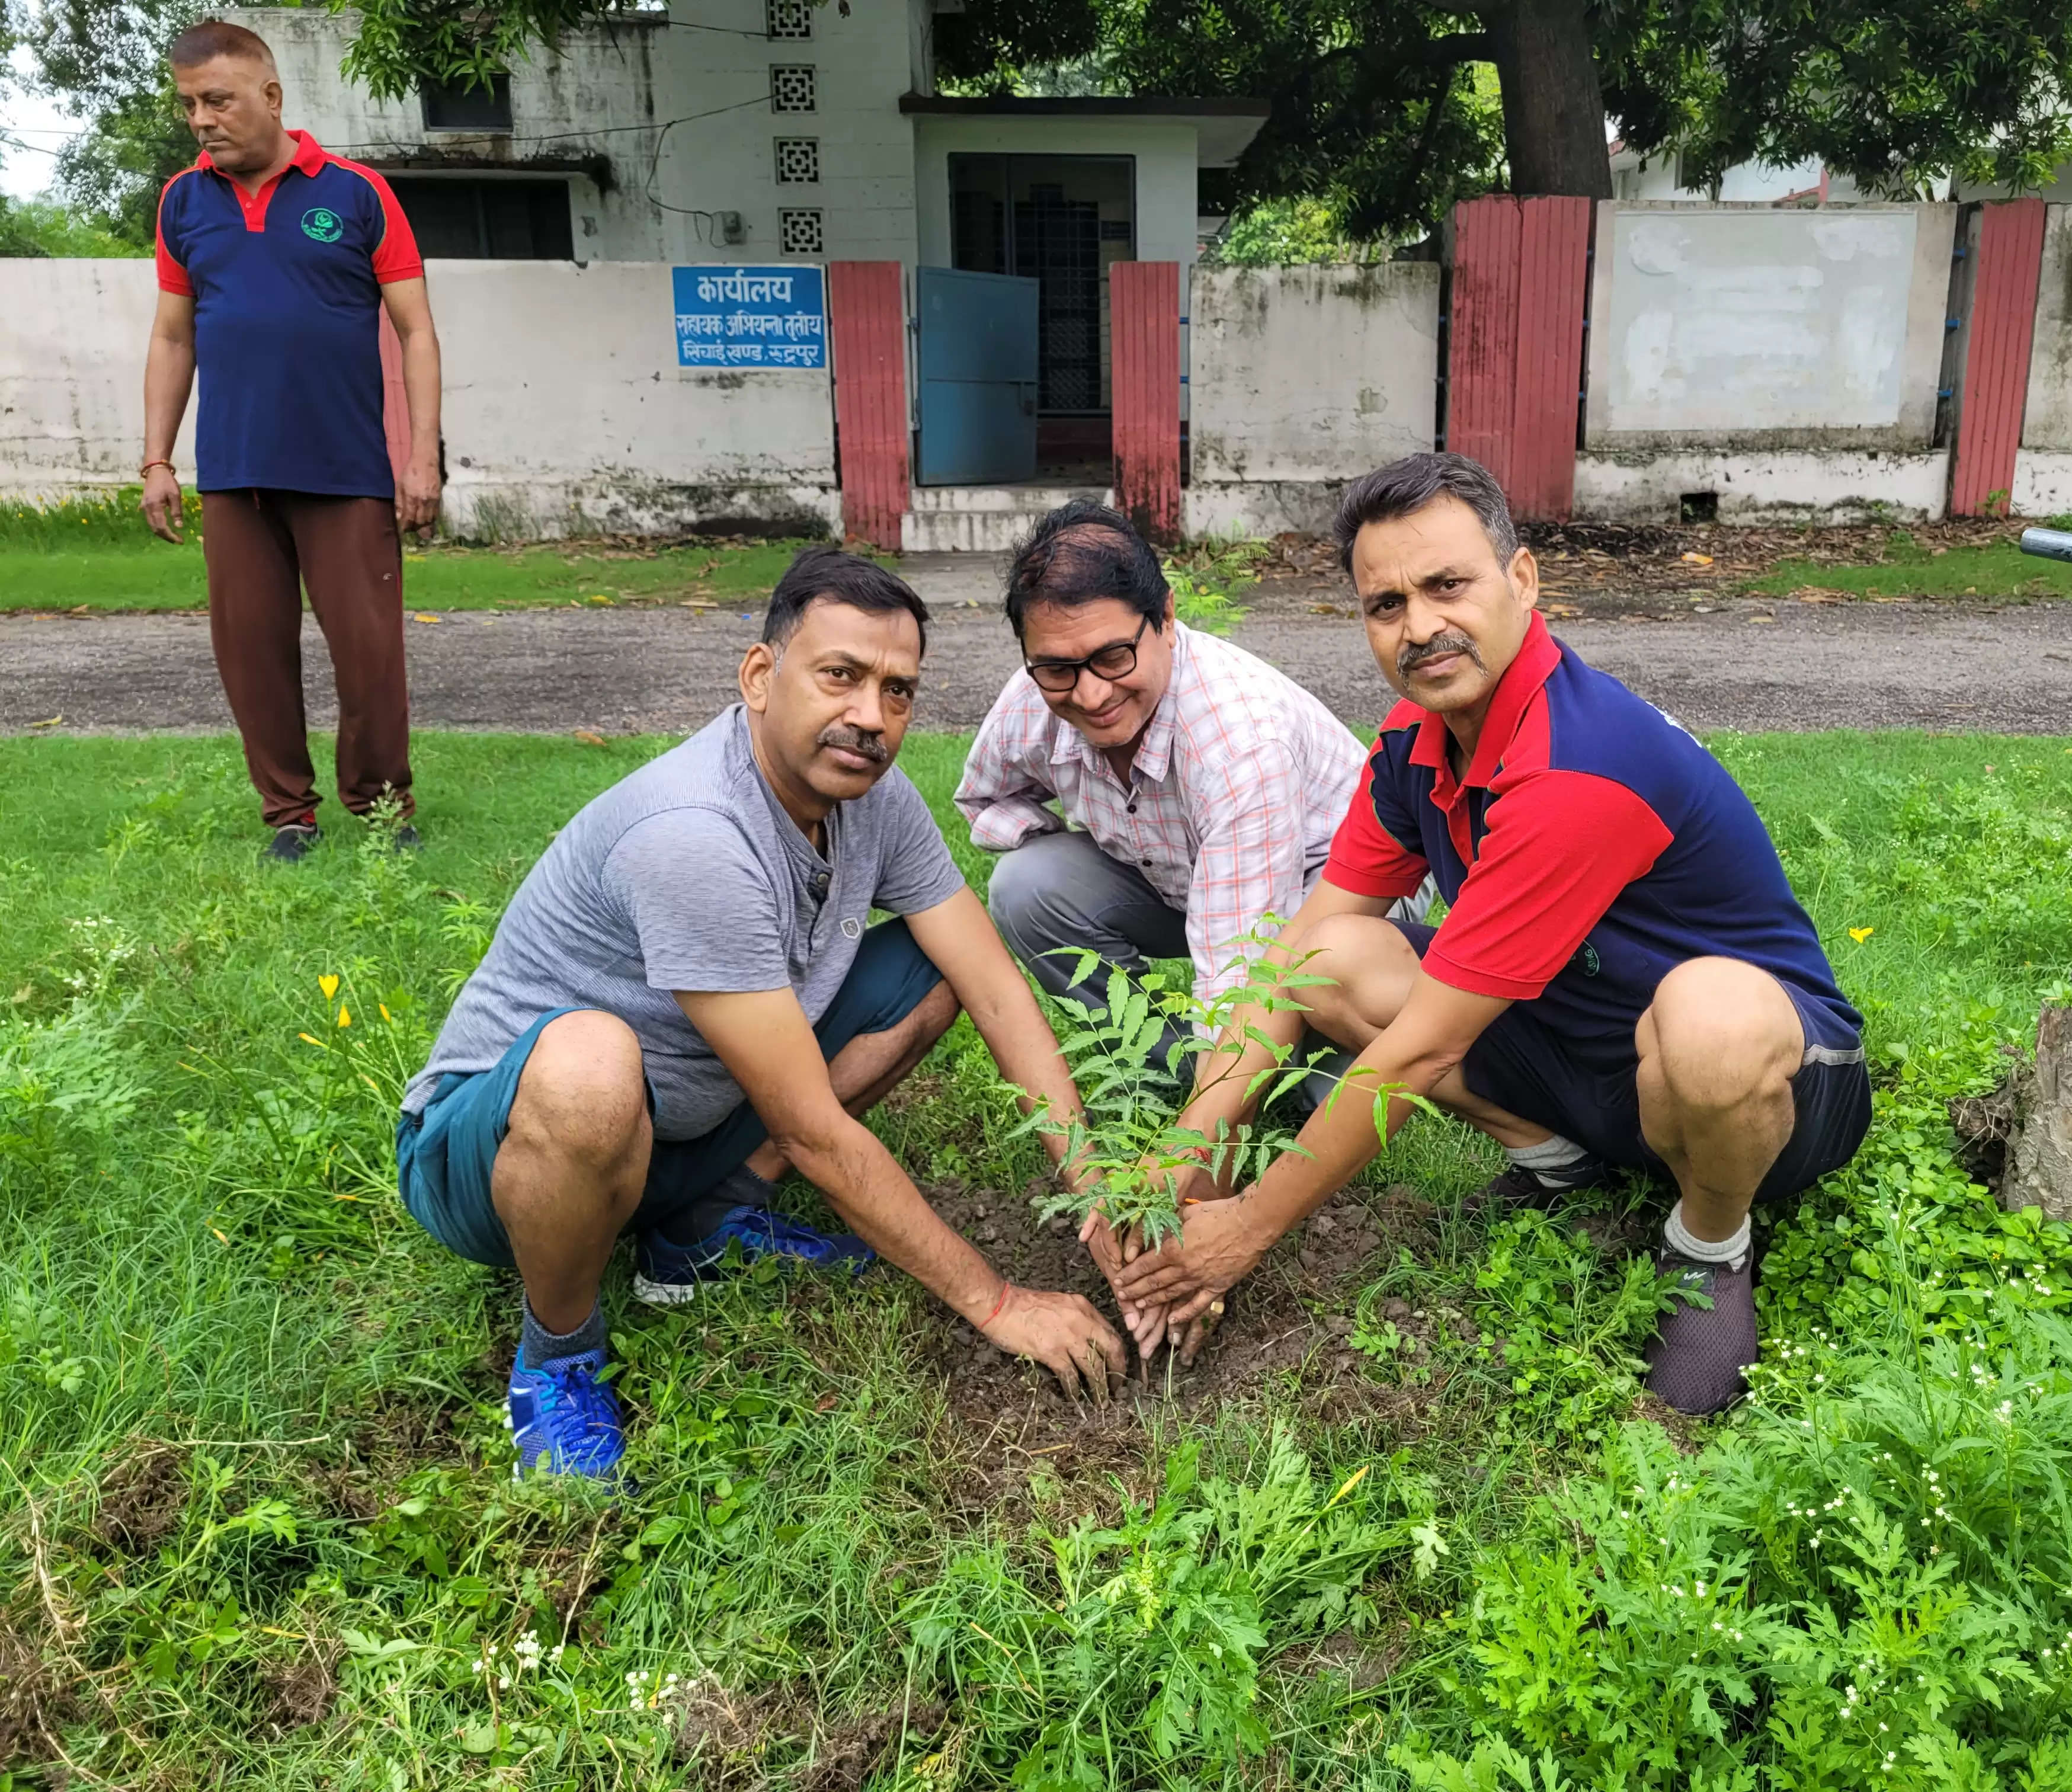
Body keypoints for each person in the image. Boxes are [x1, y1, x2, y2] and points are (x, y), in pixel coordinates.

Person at [1108, 454, 1871, 1413]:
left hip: (1782, 1080)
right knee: (1323, 958)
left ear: (1521, 580)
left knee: (1706, 1017)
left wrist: (1247, 1226)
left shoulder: (1576, 765)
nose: (1419, 625)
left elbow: (1422, 1050)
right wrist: (1188, 1151)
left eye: (1446, 585)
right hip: (1588, 1054)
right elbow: (1291, 958)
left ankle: (1708, 1243)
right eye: (1386, 603)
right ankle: (1561, 1163)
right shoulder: (1413, 746)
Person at [398, 549, 1125, 1480]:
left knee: (932, 969)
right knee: (591, 1065)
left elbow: (990, 984)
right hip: (495, 1154)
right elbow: (814, 1134)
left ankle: (701, 1230)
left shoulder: (875, 799)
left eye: (898, 691)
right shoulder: (694, 833)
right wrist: (997, 1302)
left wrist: (1094, 1187)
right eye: (841, 676)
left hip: (669, 1134)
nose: (871, 716)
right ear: (758, 677)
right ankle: (560, 1352)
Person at [140, 18, 444, 863]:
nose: (202, 119)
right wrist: (158, 459)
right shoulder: (183, 202)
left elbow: (415, 331)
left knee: (370, 655)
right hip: (235, 474)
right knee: (252, 655)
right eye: (190, 104)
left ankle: (384, 809)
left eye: (219, 100)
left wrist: (422, 456)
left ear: (271, 97)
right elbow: (173, 338)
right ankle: (289, 816)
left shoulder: (356, 193)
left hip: (345, 469)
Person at [956, 501, 1371, 1071]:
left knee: (1316, 1093)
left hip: (1328, 889)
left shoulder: (1238, 737)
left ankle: (1271, 1075)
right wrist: (1067, 837)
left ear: (1167, 619)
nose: (1091, 695)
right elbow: (983, 799)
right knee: (1027, 884)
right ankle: (1171, 1066)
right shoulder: (1032, 697)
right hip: (1179, 882)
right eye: (1057, 669)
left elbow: (1239, 965)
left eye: (1113, 657)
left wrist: (1202, 1151)